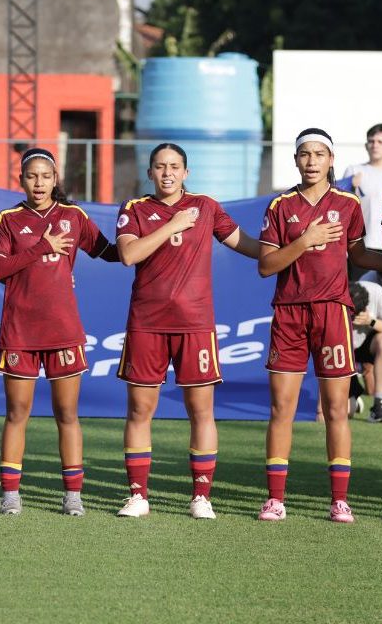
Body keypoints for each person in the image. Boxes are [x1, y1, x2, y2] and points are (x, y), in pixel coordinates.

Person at [257, 128, 382, 523]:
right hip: (289, 314)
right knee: (281, 408)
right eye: (305, 154)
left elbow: (359, 254)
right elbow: (266, 265)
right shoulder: (280, 206)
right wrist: (305, 240)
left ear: (331, 160)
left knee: (336, 408)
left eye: (320, 154)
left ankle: (339, 500)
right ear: (295, 160)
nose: (312, 161)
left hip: (333, 313)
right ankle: (275, 499)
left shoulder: (348, 204)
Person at [114, 142, 259, 519]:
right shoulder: (134, 209)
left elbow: (244, 243)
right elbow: (129, 254)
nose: (167, 173)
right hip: (147, 323)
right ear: (150, 173)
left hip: (195, 324)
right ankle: (138, 496)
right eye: (160, 166)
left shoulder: (206, 206)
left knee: (201, 410)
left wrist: (291, 249)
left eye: (174, 166)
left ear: (186, 172)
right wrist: (172, 225)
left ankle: (201, 497)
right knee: (140, 409)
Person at [0, 148, 118, 516]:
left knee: (67, 413)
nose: (39, 182)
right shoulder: (9, 219)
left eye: (46, 176)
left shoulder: (73, 216)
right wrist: (42, 247)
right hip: (20, 331)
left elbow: (109, 251)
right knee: (17, 413)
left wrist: (147, 240)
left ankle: (73, 495)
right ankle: (11, 494)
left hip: (63, 330)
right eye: (32, 176)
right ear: (21, 180)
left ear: (55, 179)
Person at [343, 123, 382, 254]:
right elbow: (341, 207)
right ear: (366, 145)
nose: (375, 145)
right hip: (359, 246)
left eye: (380, 142)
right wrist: (349, 184)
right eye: (371, 141)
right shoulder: (353, 171)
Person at [349, 280, 382, 423]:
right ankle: (354, 401)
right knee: (344, 411)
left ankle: (379, 407)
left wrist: (371, 321)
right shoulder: (335, 301)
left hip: (366, 345)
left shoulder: (375, 291)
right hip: (343, 351)